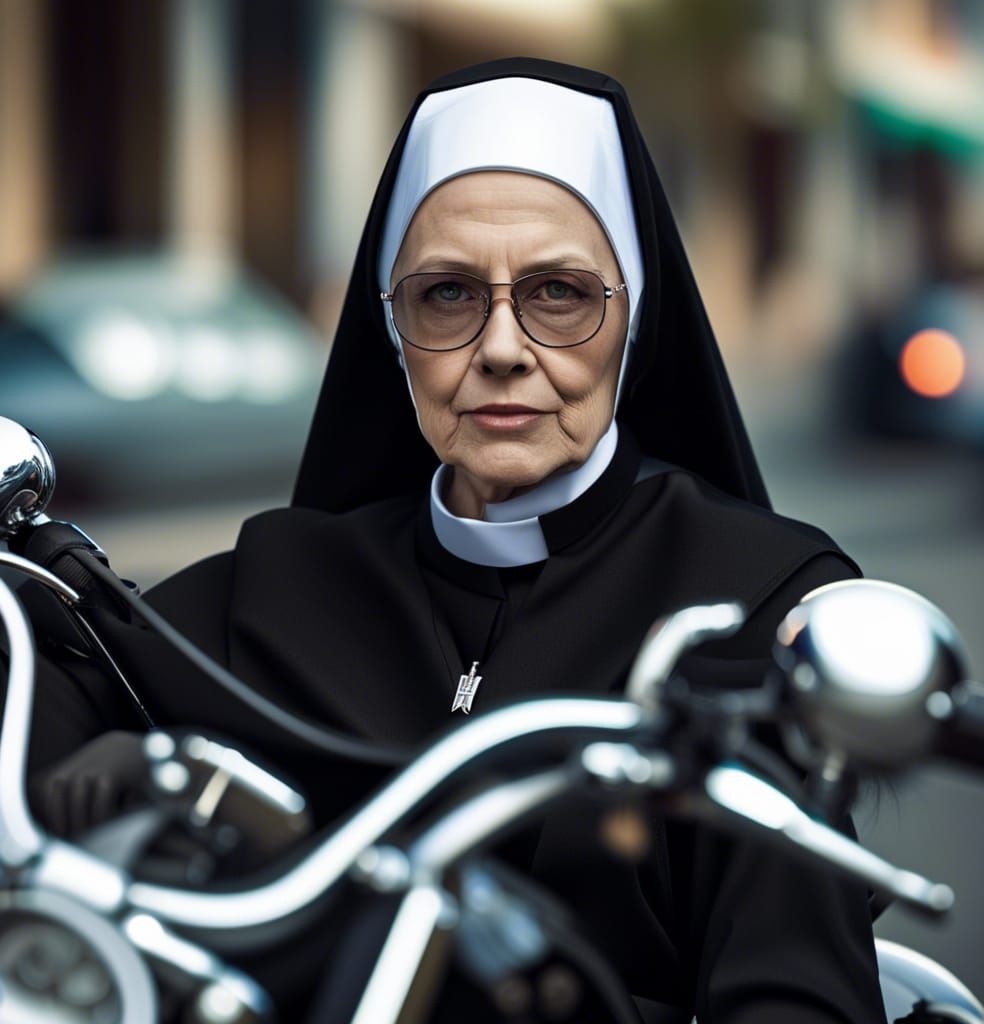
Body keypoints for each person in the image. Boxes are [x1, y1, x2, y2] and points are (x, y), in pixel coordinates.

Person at [15, 58, 887, 1022]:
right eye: (448, 295)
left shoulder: (749, 606)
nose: (504, 347)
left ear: (632, 317)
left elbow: (797, 997)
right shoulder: (270, 587)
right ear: (391, 328)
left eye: (558, 293)